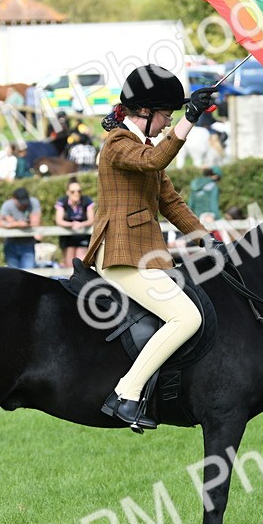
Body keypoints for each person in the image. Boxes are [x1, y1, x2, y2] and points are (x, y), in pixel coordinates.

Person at [83, 64, 216, 432]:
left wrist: (207, 240)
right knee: (186, 318)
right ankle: (125, 394)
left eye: (173, 116)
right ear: (143, 111)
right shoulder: (117, 144)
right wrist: (190, 119)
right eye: (166, 115)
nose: (167, 122)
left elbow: (170, 202)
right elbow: (156, 159)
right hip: (120, 255)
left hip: (143, 254)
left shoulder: (143, 147)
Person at [0, 187, 41, 268]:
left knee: (28, 272)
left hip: (28, 244)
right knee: (13, 273)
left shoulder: (33, 202)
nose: (23, 205)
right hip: (11, 244)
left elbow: (36, 221)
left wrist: (11, 221)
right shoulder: (8, 205)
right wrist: (16, 224)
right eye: (21, 203)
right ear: (14, 199)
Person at [55, 179, 95, 265]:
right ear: (67, 192)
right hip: (67, 236)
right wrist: (72, 224)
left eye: (79, 191)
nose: (76, 193)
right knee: (69, 264)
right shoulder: (62, 201)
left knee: (80, 264)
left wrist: (81, 224)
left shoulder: (86, 200)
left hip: (83, 235)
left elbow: (91, 220)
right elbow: (59, 220)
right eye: (73, 191)